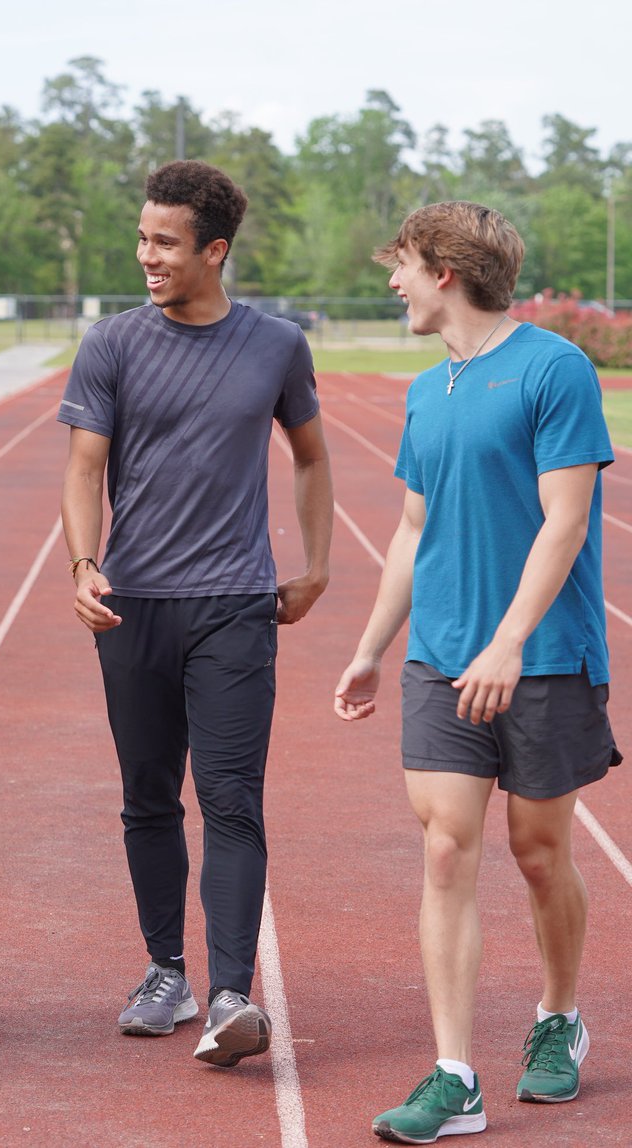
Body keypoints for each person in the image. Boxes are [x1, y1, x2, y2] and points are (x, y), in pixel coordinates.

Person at [334, 201, 620, 1143]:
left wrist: (507, 641)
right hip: (439, 662)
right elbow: (413, 530)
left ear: (445, 271)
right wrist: (375, 648)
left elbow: (565, 522)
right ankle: (455, 1074)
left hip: (542, 658)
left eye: (402, 266)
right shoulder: (429, 390)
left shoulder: (554, 368)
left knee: (540, 854)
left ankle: (559, 1019)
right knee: (448, 847)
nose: (393, 282)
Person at [59, 160, 333, 1066]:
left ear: (214, 251)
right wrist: (84, 562)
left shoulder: (277, 346)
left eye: (165, 242)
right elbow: (84, 467)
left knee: (230, 800)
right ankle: (163, 971)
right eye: (142, 238)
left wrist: (318, 564)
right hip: (131, 607)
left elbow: (311, 456)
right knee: (147, 800)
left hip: (234, 607)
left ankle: (229, 995)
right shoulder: (112, 343)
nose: (147, 255)